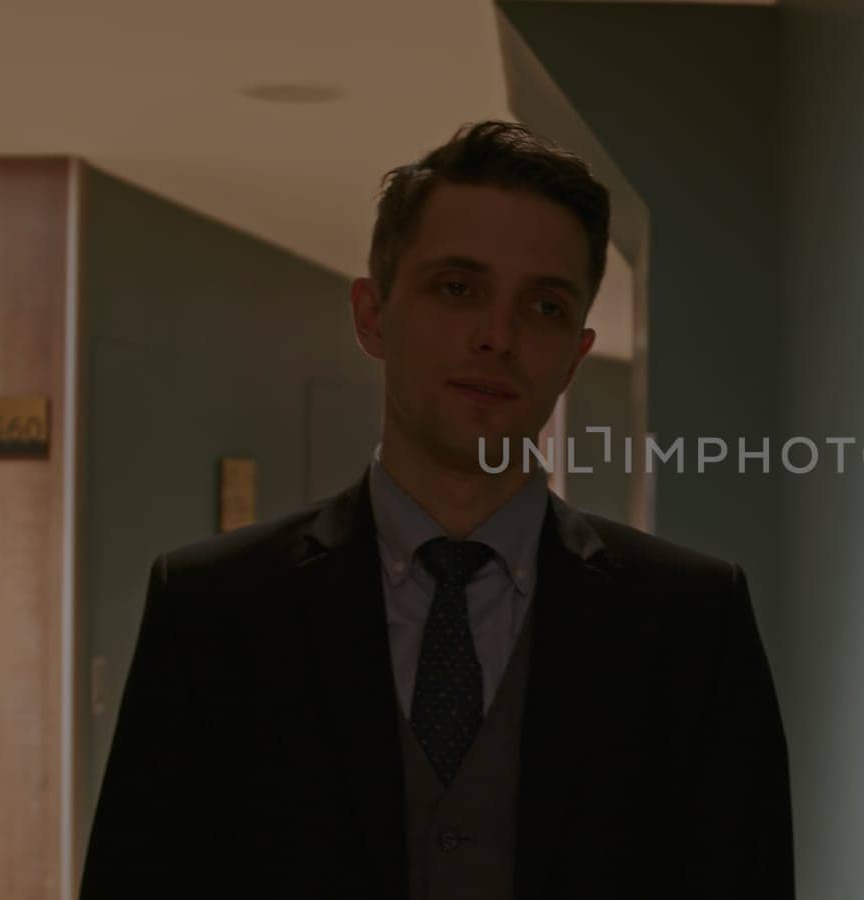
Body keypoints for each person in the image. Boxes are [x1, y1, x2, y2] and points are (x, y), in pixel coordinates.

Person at [79, 121, 793, 900]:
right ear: (372, 316)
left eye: (545, 307)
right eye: (458, 289)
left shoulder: (693, 621)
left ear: (575, 354)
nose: (497, 336)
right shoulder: (214, 610)